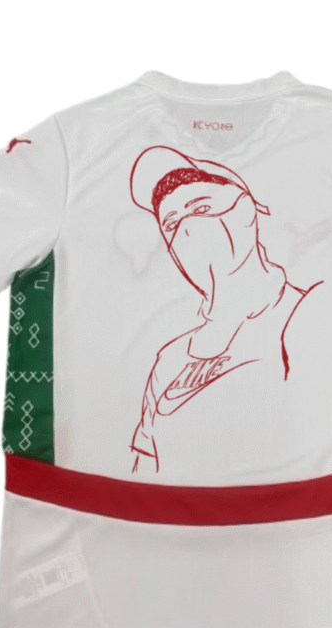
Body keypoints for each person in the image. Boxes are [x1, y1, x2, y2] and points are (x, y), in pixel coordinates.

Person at [128, 146, 322, 472]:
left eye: (201, 208)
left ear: (245, 211)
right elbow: (143, 467)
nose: (188, 229)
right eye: (171, 225)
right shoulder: (169, 361)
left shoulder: (311, 312)